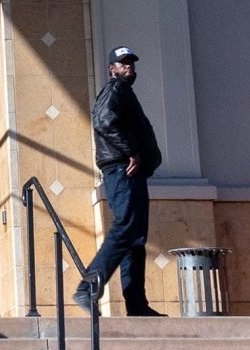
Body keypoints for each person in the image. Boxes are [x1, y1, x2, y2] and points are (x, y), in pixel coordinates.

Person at [76, 46, 163, 316]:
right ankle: (87, 288)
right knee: (125, 228)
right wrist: (130, 150)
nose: (129, 67)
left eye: (131, 63)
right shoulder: (114, 90)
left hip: (131, 171)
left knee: (136, 237)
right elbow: (104, 121)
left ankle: (137, 305)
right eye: (123, 63)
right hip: (121, 168)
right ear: (111, 69)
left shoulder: (125, 92)